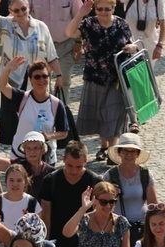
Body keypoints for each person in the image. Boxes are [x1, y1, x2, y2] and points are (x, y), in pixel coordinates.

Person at [66, 0, 139, 159]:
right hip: (95, 76)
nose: (103, 12)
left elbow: (133, 44)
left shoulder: (121, 24)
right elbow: (70, 32)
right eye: (99, 9)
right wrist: (80, 13)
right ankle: (104, 146)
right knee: (99, 114)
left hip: (116, 77)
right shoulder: (89, 24)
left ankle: (113, 151)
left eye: (107, 9)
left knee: (112, 114)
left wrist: (132, 48)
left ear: (113, 8)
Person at [0, 0, 62, 148]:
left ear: (29, 8)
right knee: (13, 121)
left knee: (37, 116)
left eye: (23, 9)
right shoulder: (5, 24)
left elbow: (51, 54)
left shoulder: (41, 27)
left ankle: (38, 146)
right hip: (13, 80)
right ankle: (17, 149)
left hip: (38, 80)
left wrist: (59, 75)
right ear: (10, 10)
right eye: (16, 10)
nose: (20, 13)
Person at [0, 57, 68, 165]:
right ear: (31, 80)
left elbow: (64, 132)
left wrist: (49, 136)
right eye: (37, 77)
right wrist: (7, 69)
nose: (41, 80)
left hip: (45, 159)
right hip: (20, 155)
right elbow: (2, 86)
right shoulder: (22, 98)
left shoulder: (56, 104)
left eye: (45, 76)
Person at [104, 133, 159, 247]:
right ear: (119, 153)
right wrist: (110, 193)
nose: (129, 155)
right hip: (116, 227)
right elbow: (100, 203)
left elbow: (153, 204)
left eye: (133, 151)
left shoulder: (145, 175)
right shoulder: (110, 176)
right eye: (125, 151)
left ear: (138, 154)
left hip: (141, 227)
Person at [30, 0, 84, 101]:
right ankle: (43, 111)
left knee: (63, 81)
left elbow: (79, 17)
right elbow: (24, 16)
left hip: (65, 45)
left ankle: (61, 112)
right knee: (40, 81)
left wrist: (78, 42)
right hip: (40, 46)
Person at [0, 164, 42, 247]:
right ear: (6, 182)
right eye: (11, 180)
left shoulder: (33, 204)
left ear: (25, 182)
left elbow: (39, 233)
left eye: (19, 180)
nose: (15, 184)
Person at [0, 126, 56, 199]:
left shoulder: (51, 172)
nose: (32, 152)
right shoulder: (18, 165)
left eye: (36, 148)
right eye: (28, 148)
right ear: (24, 150)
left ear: (43, 150)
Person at [120, 0, 165, 70]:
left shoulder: (157, 1)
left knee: (146, 77)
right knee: (129, 77)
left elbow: (163, 23)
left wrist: (159, 46)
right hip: (129, 46)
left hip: (149, 48)